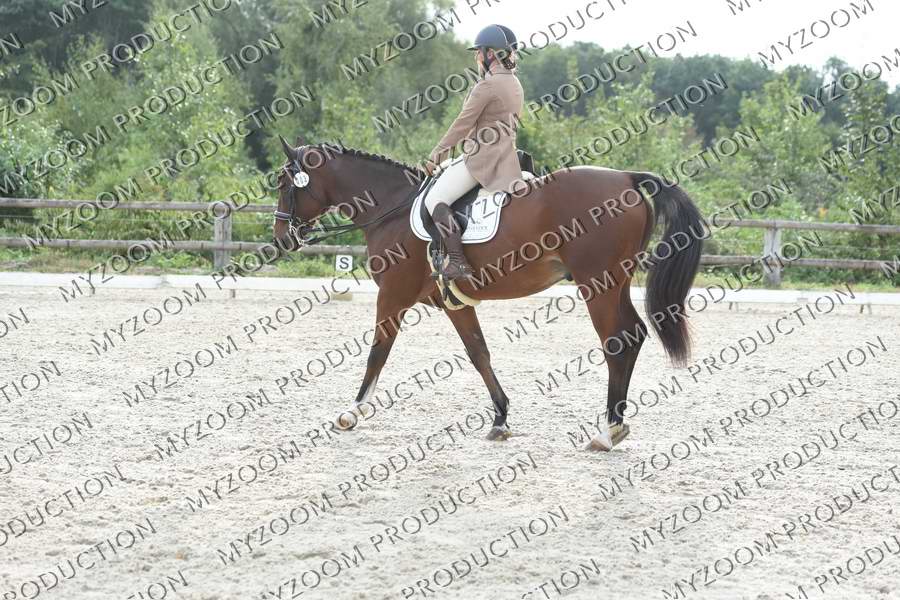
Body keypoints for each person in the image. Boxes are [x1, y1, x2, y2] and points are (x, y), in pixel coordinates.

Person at [423, 24, 525, 281]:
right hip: (507, 159)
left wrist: (437, 154)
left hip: (482, 159)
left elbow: (462, 124)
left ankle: (458, 262)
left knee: (434, 199)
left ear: (490, 53)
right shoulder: (514, 82)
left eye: (479, 52)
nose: (477, 57)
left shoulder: (487, 85)